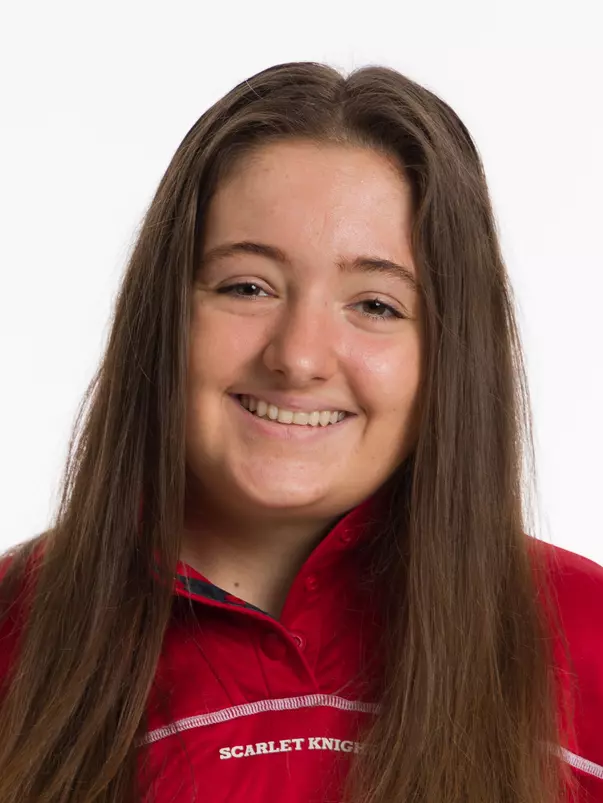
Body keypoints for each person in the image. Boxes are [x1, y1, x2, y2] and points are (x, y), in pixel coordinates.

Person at [0, 61, 601, 803]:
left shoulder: (586, 635)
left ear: (450, 352)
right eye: (246, 286)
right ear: (164, 317)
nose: (297, 355)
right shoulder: (13, 631)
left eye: (375, 304)